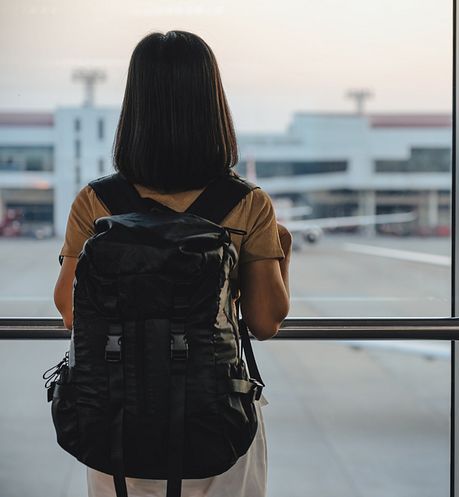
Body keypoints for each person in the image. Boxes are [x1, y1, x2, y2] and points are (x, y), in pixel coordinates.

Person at [53, 30, 291, 497]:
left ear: (134, 107)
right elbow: (265, 322)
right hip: (216, 420)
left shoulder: (97, 201)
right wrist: (282, 251)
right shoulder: (247, 204)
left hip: (114, 422)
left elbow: (70, 312)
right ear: (213, 106)